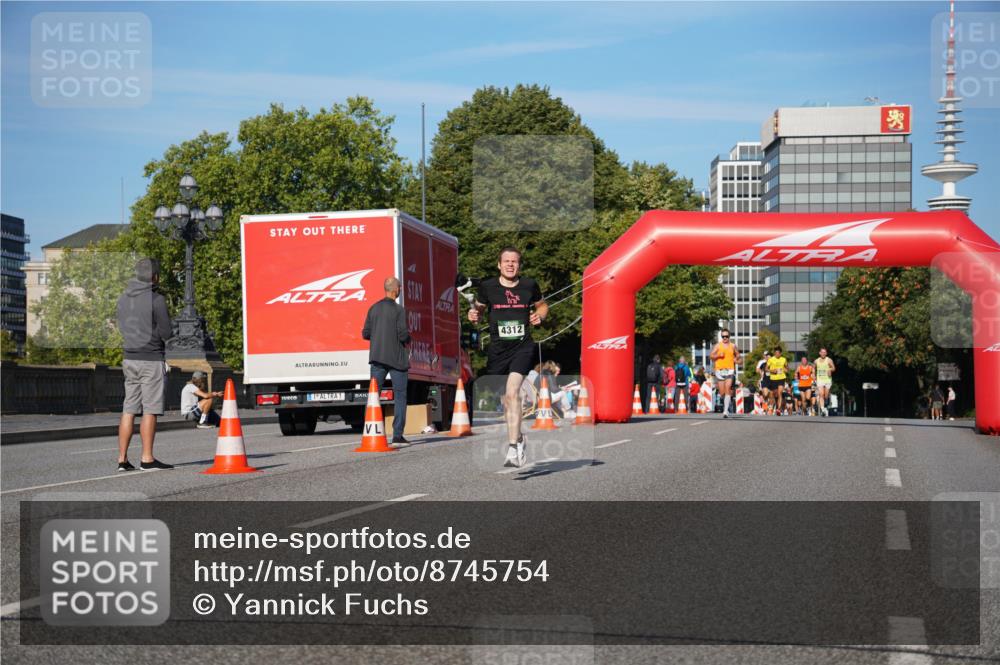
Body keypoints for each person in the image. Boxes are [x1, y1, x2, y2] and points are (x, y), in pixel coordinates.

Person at [468, 247, 548, 467]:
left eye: (514, 261)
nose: (510, 265)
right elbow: (479, 310)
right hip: (497, 350)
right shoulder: (487, 287)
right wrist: (473, 314)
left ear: (519, 265)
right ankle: (520, 438)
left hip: (523, 347)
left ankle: (513, 447)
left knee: (513, 393)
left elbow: (542, 307)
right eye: (506, 261)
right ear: (499, 265)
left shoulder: (529, 285)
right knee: (506, 400)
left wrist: (539, 316)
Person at [115, 258, 174, 472]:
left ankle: (122, 459)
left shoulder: (123, 299)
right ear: (155, 277)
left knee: (129, 409)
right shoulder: (156, 299)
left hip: (129, 357)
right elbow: (167, 333)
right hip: (151, 358)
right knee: (150, 409)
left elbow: (121, 326)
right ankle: (147, 458)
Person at [362, 276, 411, 444]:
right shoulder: (399, 310)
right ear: (396, 290)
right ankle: (397, 434)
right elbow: (403, 334)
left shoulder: (373, 308)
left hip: (377, 358)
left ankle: (371, 430)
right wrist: (408, 339)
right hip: (397, 360)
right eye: (400, 288)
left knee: (373, 396)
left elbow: (365, 333)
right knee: (400, 396)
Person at [709, 329, 740, 418]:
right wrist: (718, 355)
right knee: (722, 393)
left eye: (726, 336)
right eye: (723, 336)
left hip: (730, 370)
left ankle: (725, 411)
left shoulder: (733, 346)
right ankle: (727, 402)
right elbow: (711, 356)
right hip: (719, 370)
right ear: (721, 337)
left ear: (729, 337)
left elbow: (738, 354)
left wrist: (736, 358)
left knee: (728, 388)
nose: (725, 338)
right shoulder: (718, 346)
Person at [765, 347, 788, 416]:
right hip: (773, 378)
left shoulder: (784, 359)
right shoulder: (771, 359)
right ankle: (775, 405)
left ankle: (778, 409)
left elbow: (787, 368)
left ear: (780, 353)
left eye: (778, 353)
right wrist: (772, 371)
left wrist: (785, 370)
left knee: (780, 392)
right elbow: (766, 369)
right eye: (775, 353)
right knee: (775, 394)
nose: (777, 354)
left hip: (781, 378)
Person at [815, 347, 836, 417]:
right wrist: (813, 374)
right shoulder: (816, 361)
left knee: (826, 396)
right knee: (821, 394)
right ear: (819, 353)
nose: (823, 353)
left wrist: (830, 370)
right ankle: (823, 409)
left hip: (827, 379)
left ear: (826, 353)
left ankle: (827, 402)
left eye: (824, 352)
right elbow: (813, 368)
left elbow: (834, 368)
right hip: (820, 379)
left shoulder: (829, 360)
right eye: (822, 352)